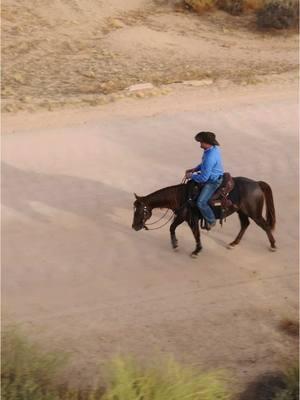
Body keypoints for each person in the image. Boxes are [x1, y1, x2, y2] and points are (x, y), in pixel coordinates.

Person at [185, 131, 224, 230]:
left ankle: (211, 220)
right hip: (212, 174)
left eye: (201, 142)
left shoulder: (210, 157)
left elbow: (204, 178)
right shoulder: (212, 149)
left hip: (213, 181)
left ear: (207, 142)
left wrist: (191, 176)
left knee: (200, 202)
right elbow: (204, 164)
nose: (200, 144)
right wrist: (195, 169)